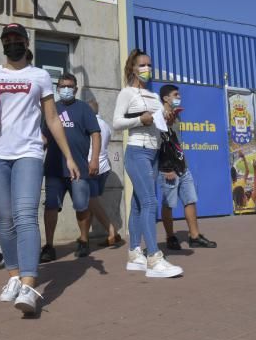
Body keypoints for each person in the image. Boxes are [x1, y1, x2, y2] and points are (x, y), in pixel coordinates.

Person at [0, 23, 81, 315]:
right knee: (4, 219)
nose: (12, 42)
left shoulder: (39, 76)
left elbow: (52, 120)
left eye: (17, 38)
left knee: (26, 215)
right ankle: (13, 277)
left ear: (27, 43)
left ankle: (29, 284)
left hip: (28, 153)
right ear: (3, 43)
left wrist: (69, 156)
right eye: (7, 39)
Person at [113, 49, 183, 278]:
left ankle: (134, 252)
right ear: (132, 68)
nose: (146, 69)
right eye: (142, 65)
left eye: (149, 65)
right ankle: (153, 257)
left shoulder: (154, 96)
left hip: (154, 152)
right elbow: (116, 123)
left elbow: (161, 125)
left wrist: (169, 117)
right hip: (137, 151)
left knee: (139, 203)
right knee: (150, 201)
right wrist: (139, 119)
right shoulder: (127, 93)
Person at [40, 73, 101, 262]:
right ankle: (49, 246)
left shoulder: (84, 109)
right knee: (50, 206)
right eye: (62, 86)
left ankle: (83, 240)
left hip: (80, 170)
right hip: (54, 169)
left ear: (75, 89)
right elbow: (43, 136)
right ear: (57, 88)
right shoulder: (51, 109)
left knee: (82, 206)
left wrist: (95, 159)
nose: (65, 89)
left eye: (69, 86)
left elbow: (96, 134)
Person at [156, 85, 216, 249]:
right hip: (168, 168)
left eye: (179, 94)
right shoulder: (158, 116)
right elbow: (159, 144)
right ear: (166, 98)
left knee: (190, 200)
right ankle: (170, 237)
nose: (178, 97)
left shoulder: (177, 117)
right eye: (175, 95)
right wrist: (167, 168)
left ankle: (194, 236)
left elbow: (176, 142)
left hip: (183, 166)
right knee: (168, 203)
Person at [86, 99, 122, 247]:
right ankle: (84, 237)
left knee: (90, 201)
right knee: (91, 203)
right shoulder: (106, 125)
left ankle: (111, 229)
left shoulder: (90, 125)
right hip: (104, 168)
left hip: (91, 167)